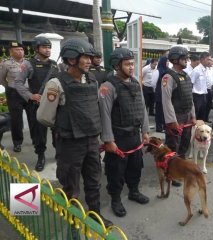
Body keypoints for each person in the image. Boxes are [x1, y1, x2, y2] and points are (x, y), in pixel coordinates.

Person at [36, 38, 112, 227]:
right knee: (70, 184)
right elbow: (44, 116)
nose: (89, 61)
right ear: (71, 59)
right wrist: (65, 126)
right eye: (84, 57)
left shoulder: (92, 80)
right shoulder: (56, 83)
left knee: (94, 180)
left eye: (89, 57)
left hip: (91, 140)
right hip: (70, 143)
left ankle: (95, 215)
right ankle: (73, 219)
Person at [99, 47, 150, 218]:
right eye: (127, 64)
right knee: (116, 172)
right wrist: (108, 140)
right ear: (117, 65)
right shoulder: (108, 87)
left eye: (132, 64)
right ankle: (115, 199)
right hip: (118, 137)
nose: (131, 67)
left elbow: (142, 108)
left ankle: (133, 191)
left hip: (134, 136)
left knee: (136, 167)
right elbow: (104, 115)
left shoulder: (135, 83)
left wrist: (145, 130)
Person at [15, 36, 59, 171]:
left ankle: (59, 152)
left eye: (49, 47)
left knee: (58, 131)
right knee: (39, 134)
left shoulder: (54, 64)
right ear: (37, 48)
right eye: (44, 47)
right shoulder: (28, 64)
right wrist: (30, 96)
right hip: (37, 105)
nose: (47, 50)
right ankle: (41, 156)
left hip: (54, 104)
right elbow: (17, 82)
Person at [161, 45, 196, 186]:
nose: (186, 60)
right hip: (176, 117)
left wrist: (193, 116)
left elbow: (190, 97)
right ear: (175, 60)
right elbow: (166, 101)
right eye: (184, 58)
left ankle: (180, 169)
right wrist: (171, 121)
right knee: (173, 147)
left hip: (187, 115)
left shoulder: (185, 75)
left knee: (184, 144)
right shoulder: (168, 77)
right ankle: (170, 173)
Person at [0, 41, 27, 152]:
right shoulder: (6, 64)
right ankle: (17, 143)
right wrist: (10, 87)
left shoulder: (29, 63)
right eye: (17, 50)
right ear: (11, 52)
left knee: (33, 118)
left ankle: (37, 140)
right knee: (16, 120)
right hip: (14, 93)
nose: (20, 51)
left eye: (21, 49)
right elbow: (1, 79)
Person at [190, 52, 212, 121]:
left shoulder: (206, 70)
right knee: (195, 115)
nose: (210, 61)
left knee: (202, 117)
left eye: (210, 60)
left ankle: (199, 130)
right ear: (202, 60)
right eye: (208, 59)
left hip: (204, 95)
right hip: (197, 96)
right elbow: (191, 83)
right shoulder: (196, 70)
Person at [152, 56, 169, 132]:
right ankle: (159, 127)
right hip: (159, 93)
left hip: (166, 94)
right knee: (159, 112)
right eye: (166, 61)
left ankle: (165, 127)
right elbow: (153, 83)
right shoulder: (158, 71)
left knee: (165, 111)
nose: (168, 63)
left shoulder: (168, 70)